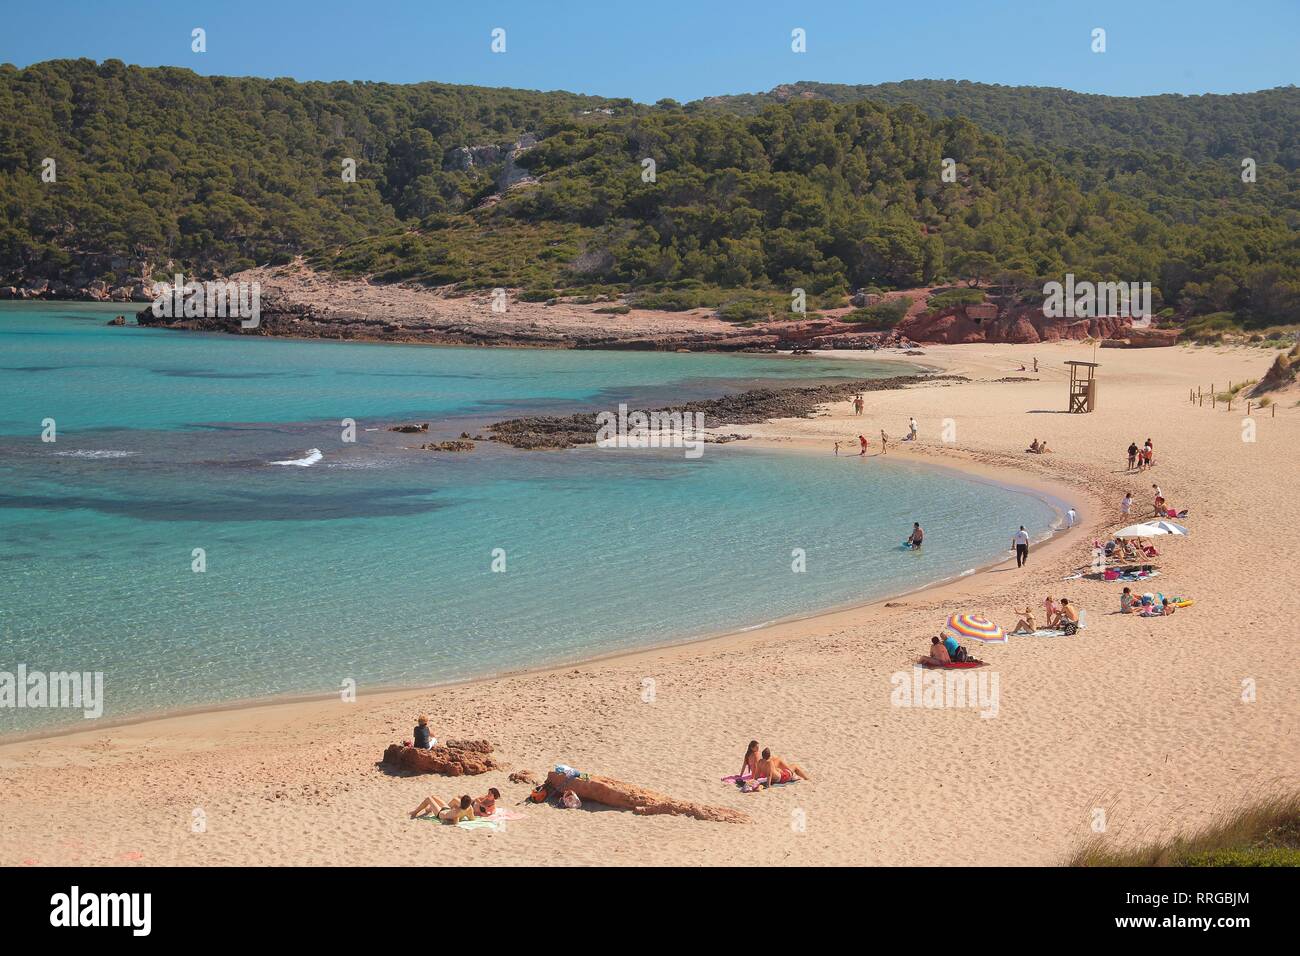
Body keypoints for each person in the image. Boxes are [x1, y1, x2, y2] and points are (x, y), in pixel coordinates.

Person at [410, 793, 475, 824]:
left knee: (428, 798)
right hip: (447, 809)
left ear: (461, 802)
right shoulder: (470, 809)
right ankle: (428, 810)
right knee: (434, 796)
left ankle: (414, 812)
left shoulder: (456, 812)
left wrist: (446, 820)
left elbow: (454, 823)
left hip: (440, 814)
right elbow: (472, 819)